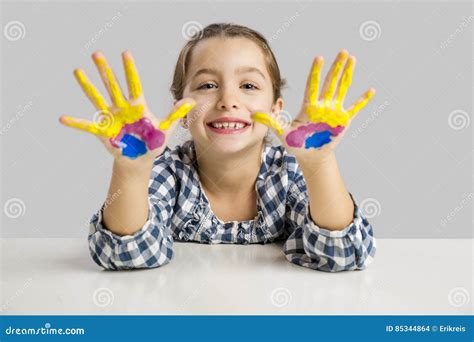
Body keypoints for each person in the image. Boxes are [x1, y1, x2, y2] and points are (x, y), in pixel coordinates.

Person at [60, 23, 376, 272]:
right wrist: (132, 169)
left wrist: (319, 163)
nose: (227, 100)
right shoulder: (168, 172)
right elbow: (126, 257)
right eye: (207, 85)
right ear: (180, 111)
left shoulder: (290, 172)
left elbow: (344, 255)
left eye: (249, 85)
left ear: (276, 110)